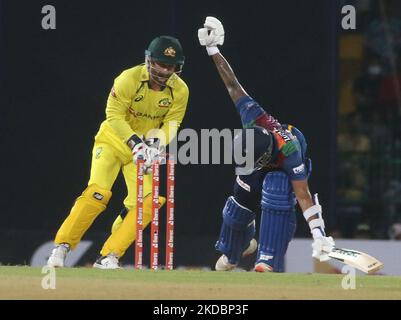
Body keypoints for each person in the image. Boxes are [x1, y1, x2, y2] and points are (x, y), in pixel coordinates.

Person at [198, 17, 335, 272]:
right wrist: (213, 49)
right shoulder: (253, 116)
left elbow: (304, 196)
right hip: (262, 154)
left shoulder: (289, 151)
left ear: (264, 157)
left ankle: (266, 260)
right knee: (236, 211)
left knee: (276, 189)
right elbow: (232, 84)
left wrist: (319, 235)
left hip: (283, 168)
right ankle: (235, 248)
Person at [47, 36, 189, 269]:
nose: (164, 70)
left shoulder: (180, 90)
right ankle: (61, 247)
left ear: (177, 67)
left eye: (170, 66)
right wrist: (135, 143)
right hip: (113, 141)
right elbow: (113, 114)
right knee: (98, 193)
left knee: (149, 202)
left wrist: (155, 145)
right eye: (159, 64)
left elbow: (172, 123)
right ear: (148, 61)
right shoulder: (128, 79)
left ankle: (109, 255)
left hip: (142, 150)